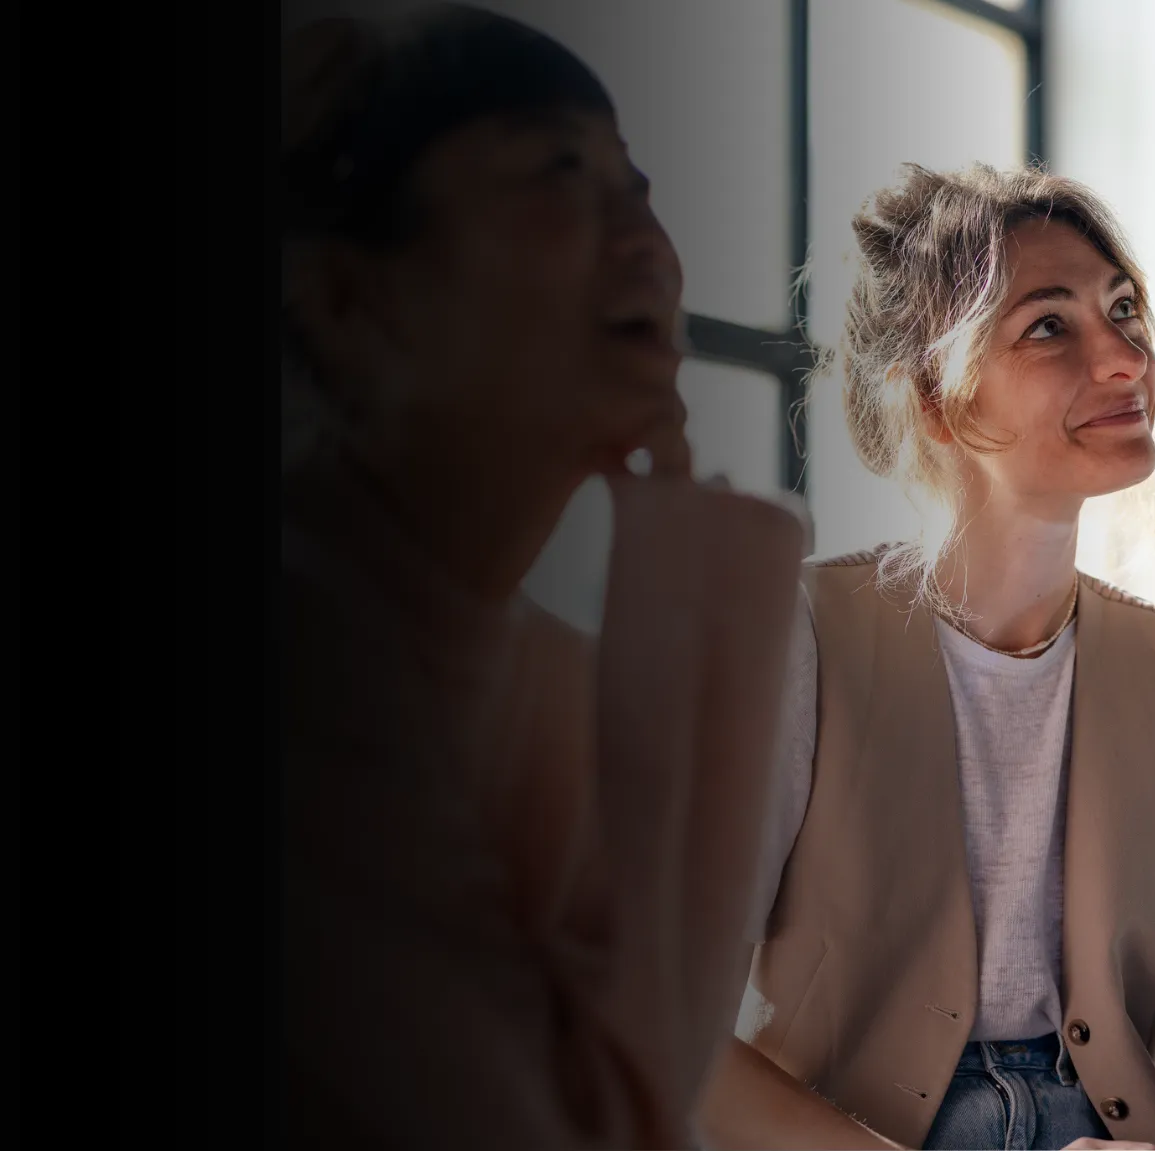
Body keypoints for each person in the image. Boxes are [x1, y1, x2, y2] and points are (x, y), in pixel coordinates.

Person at [280, 5, 803, 1146]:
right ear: (342, 299)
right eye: (562, 170)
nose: (647, 245)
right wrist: (703, 594)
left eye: (640, 186)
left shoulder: (551, 682)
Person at [696, 163, 1155, 1151]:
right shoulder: (794, 638)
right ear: (934, 396)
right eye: (1049, 326)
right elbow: (673, 1038)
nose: (1124, 359)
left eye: (1123, 307)